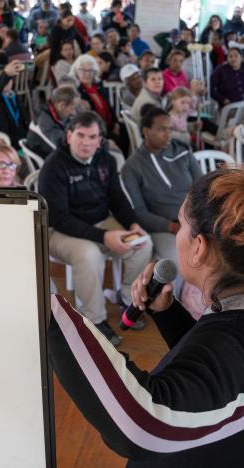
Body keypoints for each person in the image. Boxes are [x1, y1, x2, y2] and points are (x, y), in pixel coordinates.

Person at [49, 158, 244, 466]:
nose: (177, 234)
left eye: (181, 225)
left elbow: (141, 425)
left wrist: (51, 311)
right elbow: (221, 390)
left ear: (199, 247)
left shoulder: (236, 341)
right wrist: (167, 313)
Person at [38, 111, 152, 345]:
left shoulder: (106, 160)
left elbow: (117, 198)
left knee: (143, 243)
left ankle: (126, 298)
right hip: (58, 231)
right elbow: (58, 217)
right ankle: (94, 320)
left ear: (100, 140)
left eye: (92, 137)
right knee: (89, 255)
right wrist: (104, 236)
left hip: (99, 223)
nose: (86, 142)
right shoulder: (54, 166)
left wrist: (132, 224)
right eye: (80, 135)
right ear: (69, 136)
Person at [121, 107, 202, 291]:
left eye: (170, 129)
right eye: (161, 129)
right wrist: (173, 227)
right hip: (164, 228)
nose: (168, 135)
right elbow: (139, 213)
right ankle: (178, 310)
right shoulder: (132, 167)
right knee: (178, 261)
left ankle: (208, 307)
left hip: (195, 220)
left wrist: (198, 219)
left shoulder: (183, 154)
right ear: (146, 131)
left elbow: (203, 188)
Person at [26, 84, 80, 157]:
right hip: (45, 159)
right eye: (72, 108)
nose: (73, 112)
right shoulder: (45, 121)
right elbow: (62, 144)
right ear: (61, 105)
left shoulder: (59, 113)